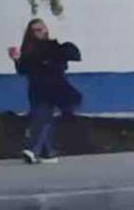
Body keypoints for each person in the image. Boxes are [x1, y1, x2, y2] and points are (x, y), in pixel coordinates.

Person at [13, 18, 82, 162]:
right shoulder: (28, 50)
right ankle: (48, 153)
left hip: (52, 87)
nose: (41, 32)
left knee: (42, 116)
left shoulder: (53, 47)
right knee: (42, 117)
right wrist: (16, 59)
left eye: (42, 28)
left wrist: (48, 63)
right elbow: (23, 69)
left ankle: (33, 150)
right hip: (36, 87)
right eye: (36, 30)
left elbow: (61, 66)